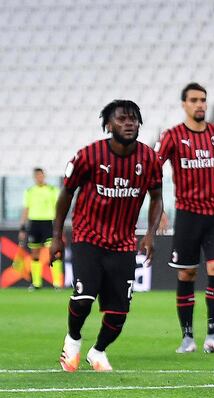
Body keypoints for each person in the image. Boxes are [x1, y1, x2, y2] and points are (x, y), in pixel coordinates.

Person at [52, 100, 163, 372]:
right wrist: (57, 235)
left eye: (134, 119)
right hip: (88, 237)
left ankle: (98, 351)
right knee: (84, 297)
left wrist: (149, 234)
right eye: (122, 119)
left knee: (119, 313)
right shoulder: (88, 155)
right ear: (108, 124)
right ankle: (73, 340)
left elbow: (157, 196)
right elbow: (66, 194)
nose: (129, 123)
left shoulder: (149, 158)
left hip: (123, 243)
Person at [156, 82, 214, 354]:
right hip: (187, 215)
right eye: (194, 100)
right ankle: (187, 337)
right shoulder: (172, 136)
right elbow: (152, 172)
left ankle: (213, 335)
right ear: (184, 104)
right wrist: (159, 209)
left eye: (203, 100)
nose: (200, 105)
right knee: (187, 272)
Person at [19, 167, 63, 290]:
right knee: (34, 253)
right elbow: (26, 209)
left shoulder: (53, 190)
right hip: (34, 223)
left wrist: (60, 225)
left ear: (44, 176)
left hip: (48, 222)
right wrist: (22, 227)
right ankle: (36, 283)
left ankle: (57, 283)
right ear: (34, 177)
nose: (39, 178)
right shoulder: (30, 191)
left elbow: (59, 208)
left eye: (41, 175)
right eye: (37, 176)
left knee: (53, 252)